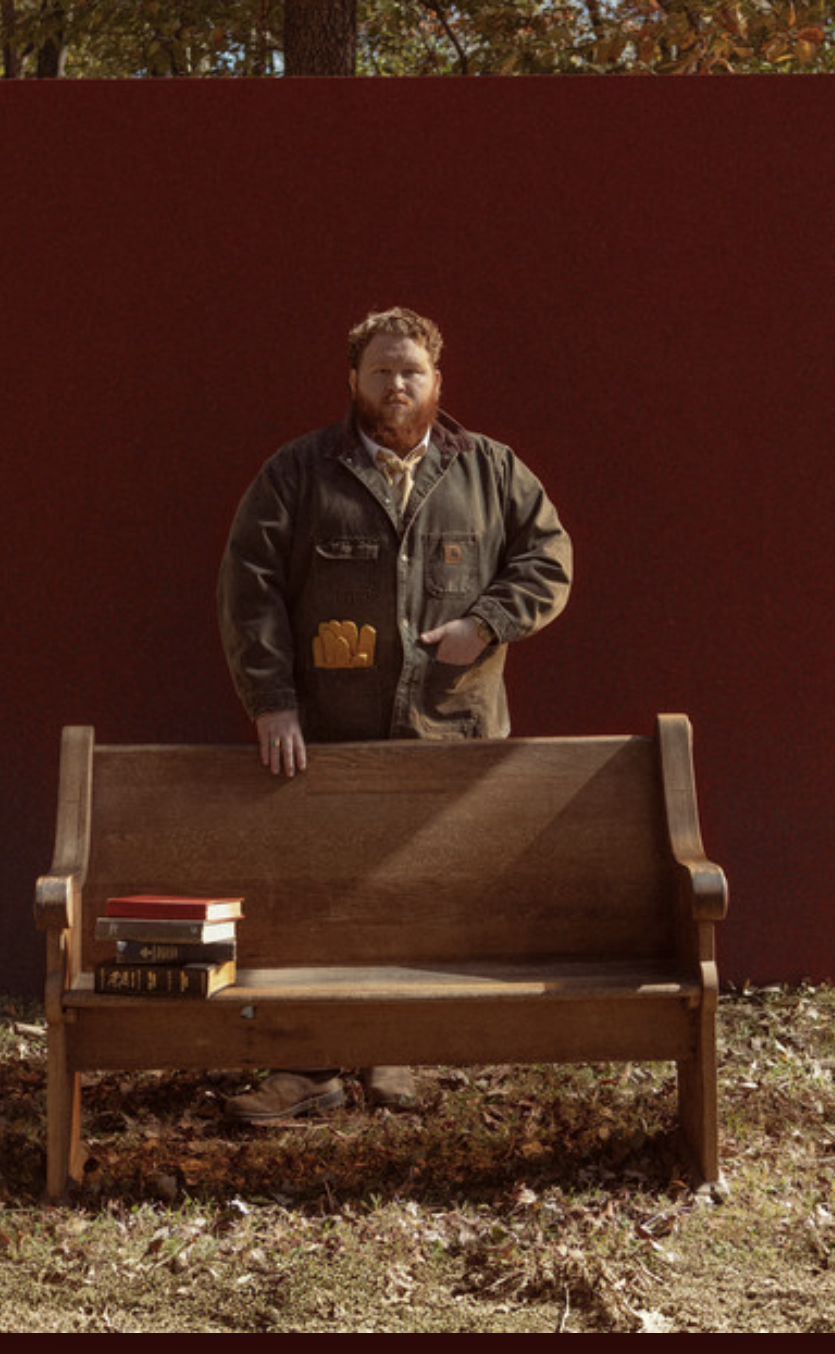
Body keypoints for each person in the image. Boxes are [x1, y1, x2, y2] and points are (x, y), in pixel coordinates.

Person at [215, 305, 573, 1122]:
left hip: (451, 733)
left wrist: (485, 624)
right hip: (329, 739)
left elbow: (550, 559)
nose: (396, 384)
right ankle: (305, 1068)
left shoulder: (491, 471)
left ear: (438, 380)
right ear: (353, 380)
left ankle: (394, 1054)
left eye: (411, 370)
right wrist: (272, 704)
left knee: (420, 898)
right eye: (380, 370)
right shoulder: (299, 473)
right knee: (315, 901)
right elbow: (249, 589)